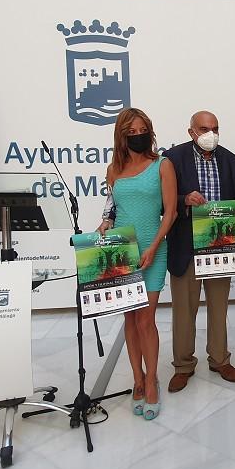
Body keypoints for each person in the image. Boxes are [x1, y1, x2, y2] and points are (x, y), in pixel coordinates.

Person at [162, 111, 235, 393]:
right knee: (184, 311)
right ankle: (183, 365)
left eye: (215, 128)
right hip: (186, 246)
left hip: (220, 246)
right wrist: (183, 200)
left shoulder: (231, 160)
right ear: (191, 132)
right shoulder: (172, 158)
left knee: (218, 306)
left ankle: (220, 359)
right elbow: (161, 202)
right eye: (204, 128)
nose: (210, 134)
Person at [97, 108, 177, 421]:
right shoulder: (113, 169)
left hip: (152, 248)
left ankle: (153, 377)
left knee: (146, 320)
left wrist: (154, 247)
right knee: (129, 320)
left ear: (150, 131)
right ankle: (137, 378)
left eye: (142, 129)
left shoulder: (162, 165)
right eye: (130, 132)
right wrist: (104, 223)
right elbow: (111, 208)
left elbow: (169, 213)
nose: (137, 135)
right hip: (123, 251)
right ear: (121, 136)